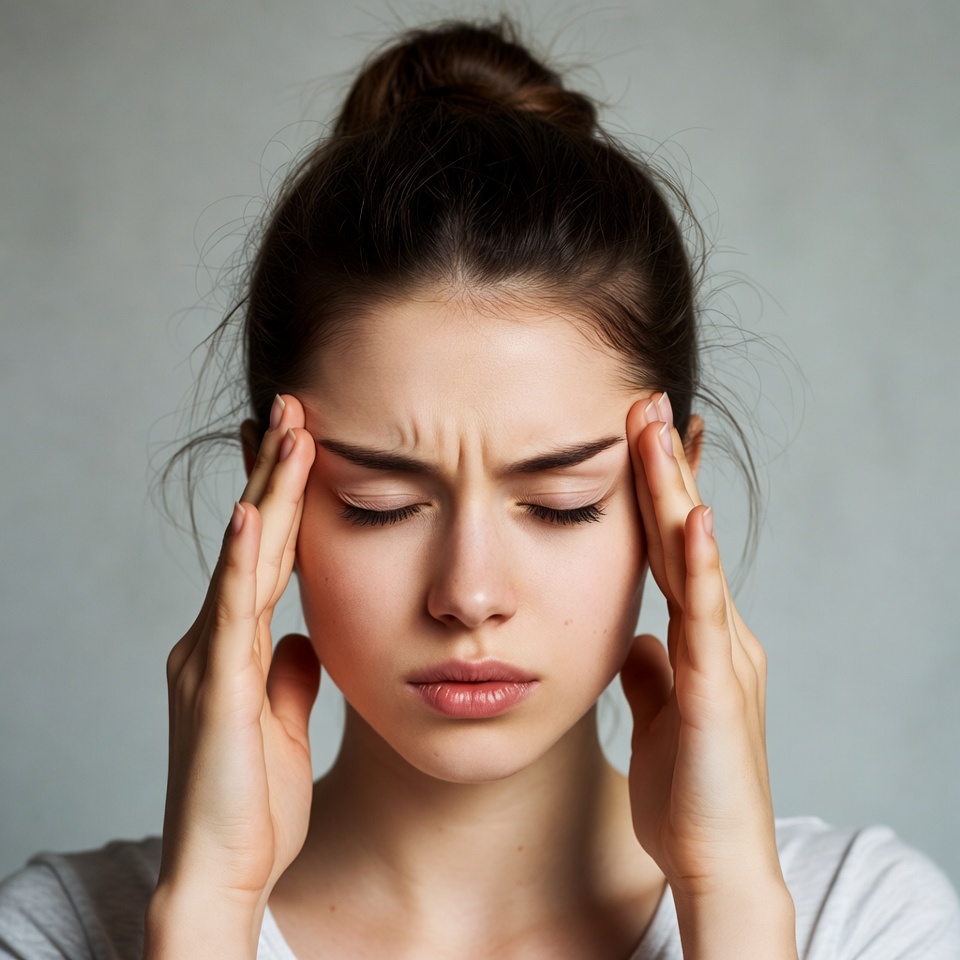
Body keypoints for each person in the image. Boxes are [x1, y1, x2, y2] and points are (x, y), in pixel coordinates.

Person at [1, 18, 958, 960]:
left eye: (562, 503)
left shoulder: (866, 923)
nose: (469, 594)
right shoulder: (57, 933)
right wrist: (209, 906)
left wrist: (732, 902)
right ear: (267, 502)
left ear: (673, 497)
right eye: (378, 503)